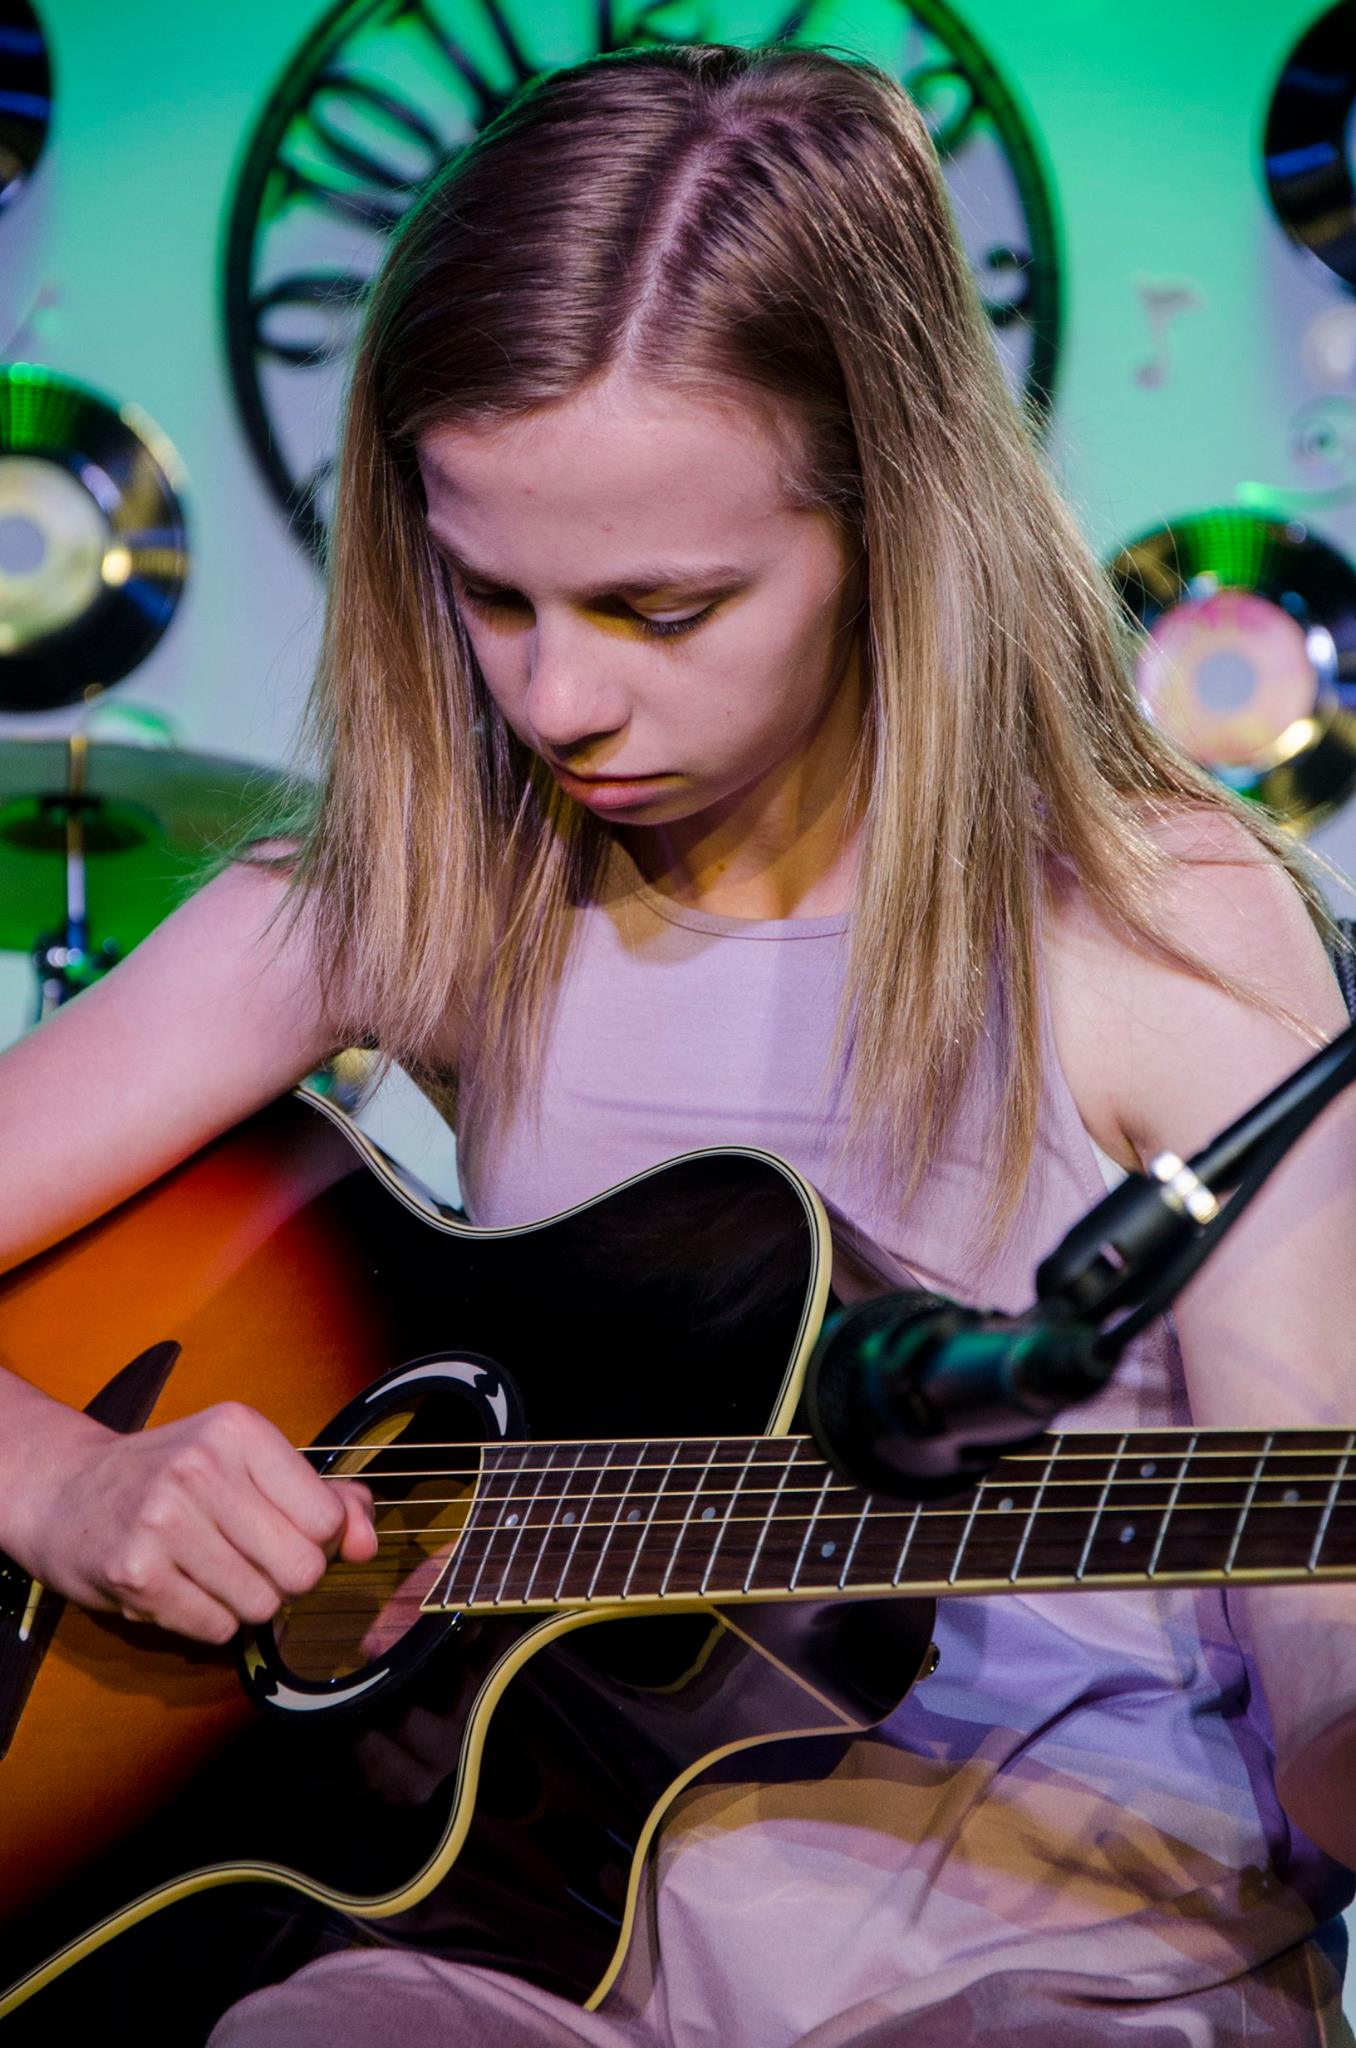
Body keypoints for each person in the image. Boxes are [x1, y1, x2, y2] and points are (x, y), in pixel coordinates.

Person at [1, 37, 1355, 2047]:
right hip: (522, 1953)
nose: (558, 699)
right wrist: (62, 1491)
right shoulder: (440, 882)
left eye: (662, 605)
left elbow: (1329, 1695)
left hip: (1074, 1972)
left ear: (889, 518)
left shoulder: (1156, 930)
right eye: (490, 593)